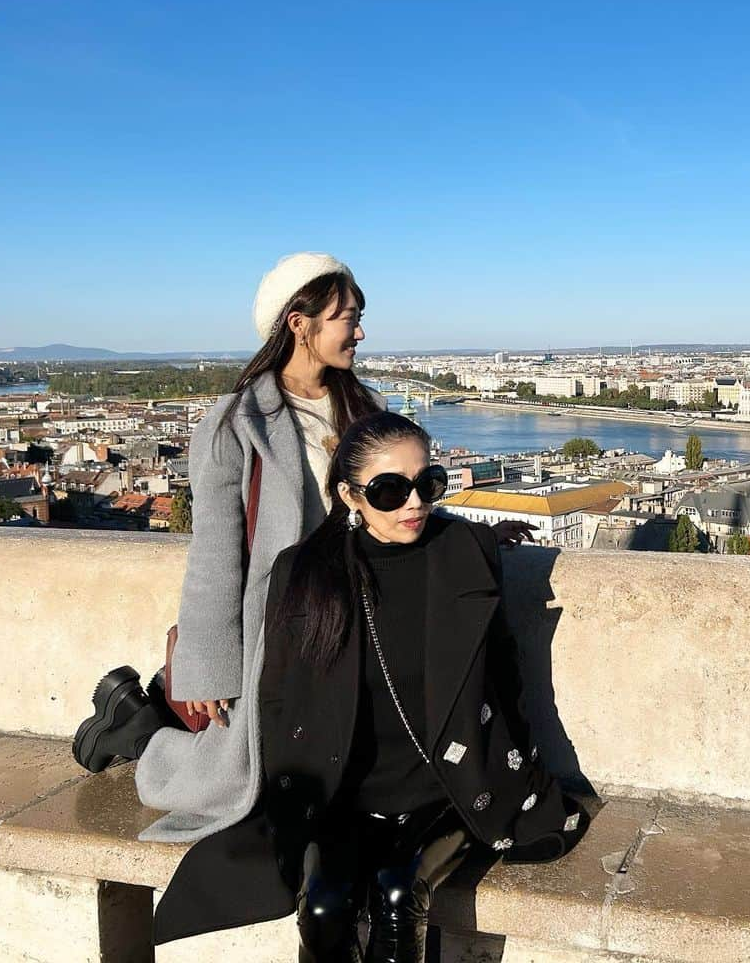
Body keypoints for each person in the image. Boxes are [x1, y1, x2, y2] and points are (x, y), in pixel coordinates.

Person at [151, 411, 589, 958]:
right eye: (389, 489)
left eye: (428, 484)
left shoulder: (465, 553)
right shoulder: (306, 572)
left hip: (446, 786)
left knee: (399, 890)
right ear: (350, 495)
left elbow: (506, 678)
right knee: (322, 905)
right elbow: (283, 700)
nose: (414, 503)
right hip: (345, 792)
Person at [73, 252, 384, 843]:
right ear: (300, 323)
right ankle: (141, 733)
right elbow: (216, 557)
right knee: (250, 777)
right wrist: (210, 666)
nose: (361, 331)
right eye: (348, 316)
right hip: (284, 625)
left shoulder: (368, 411)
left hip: (354, 617)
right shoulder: (234, 425)